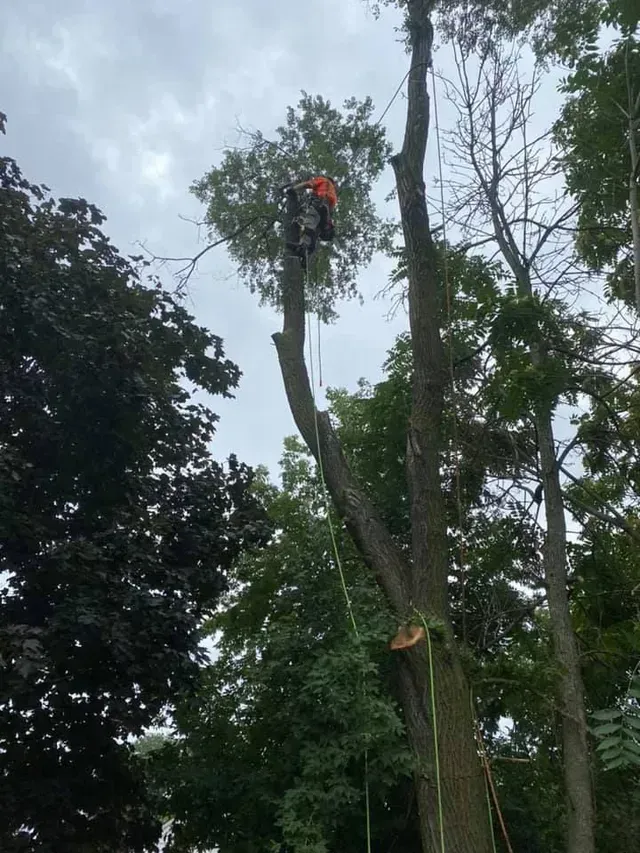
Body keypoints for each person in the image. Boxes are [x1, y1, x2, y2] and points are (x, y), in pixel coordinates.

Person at [284, 176, 337, 265]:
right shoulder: (333, 193)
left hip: (319, 203)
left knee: (309, 223)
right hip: (326, 213)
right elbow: (330, 210)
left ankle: (303, 247)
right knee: (315, 232)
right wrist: (327, 223)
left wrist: (293, 189)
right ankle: (308, 252)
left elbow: (307, 184)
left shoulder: (323, 180)